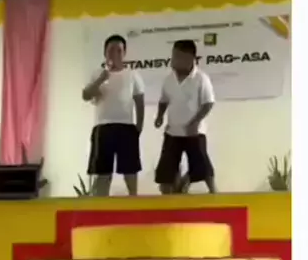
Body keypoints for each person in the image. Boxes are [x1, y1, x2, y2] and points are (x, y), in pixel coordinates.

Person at [82, 34, 145, 196]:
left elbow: (139, 100)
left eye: (119, 50)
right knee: (102, 171)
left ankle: (134, 200)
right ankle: (100, 205)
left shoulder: (132, 75)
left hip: (127, 127)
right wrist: (101, 79)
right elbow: (86, 95)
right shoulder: (97, 73)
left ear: (124, 53)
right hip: (103, 127)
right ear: (105, 53)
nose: (115, 54)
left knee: (130, 170)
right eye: (111, 50)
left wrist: (139, 125)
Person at [154, 39, 217, 194]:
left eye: (177, 56)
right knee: (165, 172)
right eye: (173, 55)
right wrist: (160, 116)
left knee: (203, 167)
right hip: (173, 131)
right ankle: (172, 193)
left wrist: (195, 122)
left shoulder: (201, 78)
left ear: (189, 58)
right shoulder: (169, 79)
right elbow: (164, 100)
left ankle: (214, 193)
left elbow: (208, 103)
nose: (173, 59)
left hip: (194, 132)